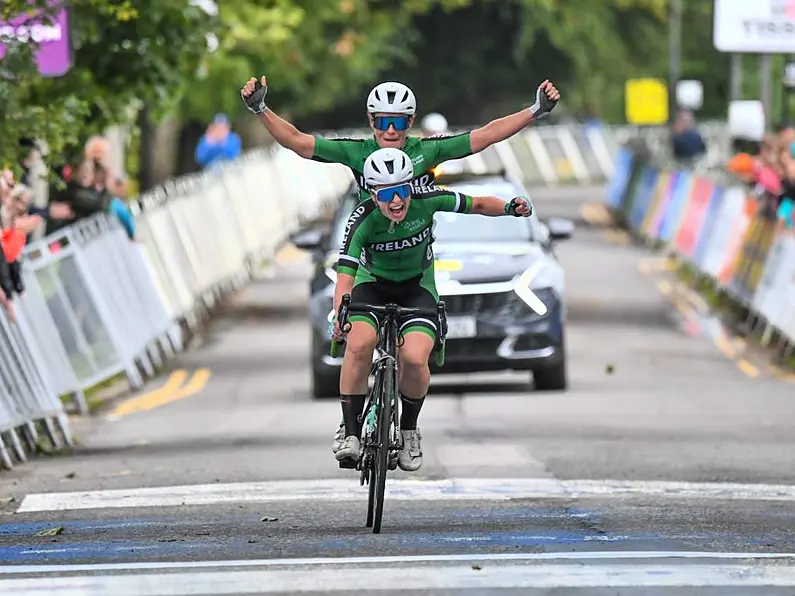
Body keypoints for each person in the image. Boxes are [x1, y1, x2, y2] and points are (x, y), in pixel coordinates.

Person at [329, 147, 533, 471]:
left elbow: (476, 203)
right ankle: (351, 433)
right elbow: (345, 275)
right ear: (371, 193)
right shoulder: (362, 219)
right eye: (387, 194)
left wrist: (509, 207)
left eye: (402, 191)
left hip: (416, 287)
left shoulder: (427, 200)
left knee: (413, 358)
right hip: (372, 285)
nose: (397, 201)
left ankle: (409, 430)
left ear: (411, 186)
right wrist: (341, 312)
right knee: (359, 345)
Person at [240, 77, 560, 200]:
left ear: (411, 122)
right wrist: (260, 108)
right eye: (383, 121)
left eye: (398, 122)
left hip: (414, 261)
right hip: (369, 255)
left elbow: (487, 135)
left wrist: (535, 110)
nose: (390, 130)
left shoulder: (428, 150)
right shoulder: (357, 153)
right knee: (356, 345)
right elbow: (297, 141)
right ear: (371, 121)